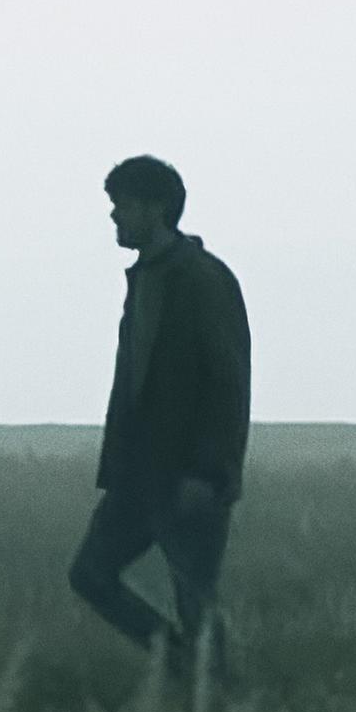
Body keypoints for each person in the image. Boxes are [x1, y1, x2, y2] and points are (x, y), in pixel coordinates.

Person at [68, 154, 250, 672]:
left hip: (189, 477)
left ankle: (216, 702)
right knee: (90, 575)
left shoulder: (204, 280)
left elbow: (228, 385)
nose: (113, 218)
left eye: (121, 205)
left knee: (196, 603)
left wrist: (209, 472)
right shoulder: (146, 279)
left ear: (156, 208)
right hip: (140, 475)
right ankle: (185, 671)